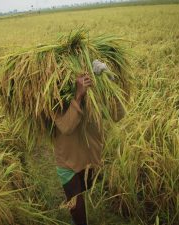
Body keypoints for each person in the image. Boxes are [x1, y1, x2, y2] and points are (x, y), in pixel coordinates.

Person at [53, 61, 125, 225]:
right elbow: (66, 127)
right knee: (78, 210)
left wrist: (110, 85)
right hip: (66, 161)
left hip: (90, 158)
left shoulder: (96, 94)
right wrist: (78, 96)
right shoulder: (57, 96)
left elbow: (118, 115)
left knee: (82, 194)